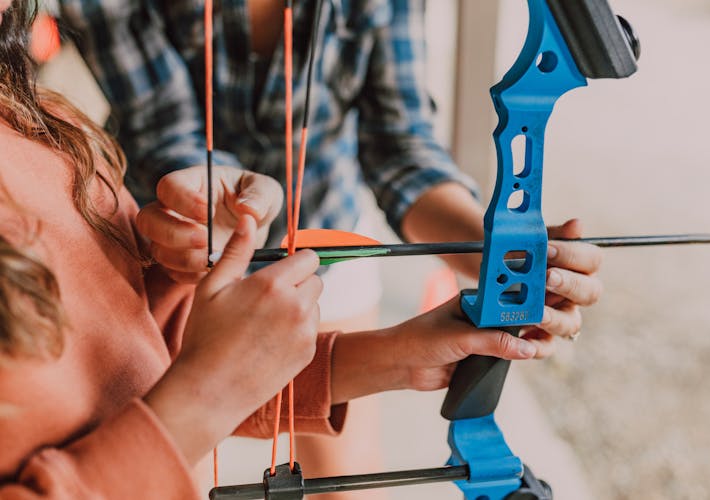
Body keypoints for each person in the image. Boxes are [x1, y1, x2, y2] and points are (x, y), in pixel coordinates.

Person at [0, 2, 576, 497]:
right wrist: (208, 208)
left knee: (343, 480)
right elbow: (165, 127)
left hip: (317, 236)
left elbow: (147, 356)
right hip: (180, 235)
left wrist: (505, 264)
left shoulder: (49, 130)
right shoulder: (66, 147)